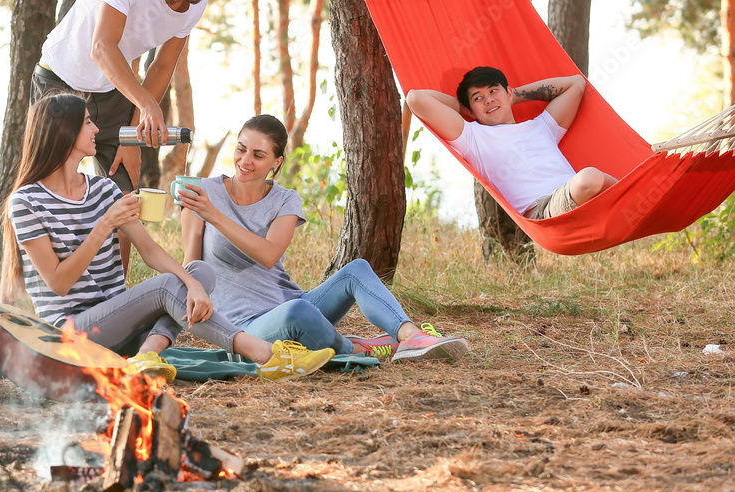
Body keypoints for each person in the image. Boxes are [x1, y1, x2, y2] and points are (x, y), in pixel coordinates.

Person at [2, 94, 334, 383]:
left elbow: (149, 250)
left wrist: (192, 284)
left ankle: (146, 356)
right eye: (88, 123)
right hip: (72, 334)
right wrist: (104, 226)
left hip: (121, 326)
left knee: (199, 272)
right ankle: (268, 356)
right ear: (65, 132)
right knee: (166, 287)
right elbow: (59, 283)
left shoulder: (102, 188)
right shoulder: (27, 202)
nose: (96, 130)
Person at [33, 0, 245, 271]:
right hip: (60, 79)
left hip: (115, 90)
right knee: (46, 190)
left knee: (125, 194)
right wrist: (146, 105)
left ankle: (115, 293)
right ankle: (31, 285)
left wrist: (133, 138)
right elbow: (101, 48)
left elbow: (162, 68)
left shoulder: (195, 4)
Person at [177, 114, 469, 362]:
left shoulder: (285, 200)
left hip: (296, 303)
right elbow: (191, 268)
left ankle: (412, 337)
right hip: (245, 327)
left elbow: (268, 255)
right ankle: (356, 348)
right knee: (297, 313)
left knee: (356, 269)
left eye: (258, 155)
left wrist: (214, 216)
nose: (245, 160)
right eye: (241, 149)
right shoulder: (202, 193)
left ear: (276, 163)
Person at [405, 67, 617, 220]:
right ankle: (633, 192)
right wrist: (466, 109)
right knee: (589, 178)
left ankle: (638, 193)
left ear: (507, 92)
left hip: (585, 197)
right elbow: (415, 98)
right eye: (478, 98)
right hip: (546, 212)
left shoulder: (542, 127)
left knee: (593, 179)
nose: (488, 100)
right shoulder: (473, 138)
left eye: (493, 91)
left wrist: (514, 96)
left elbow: (576, 84)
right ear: (470, 110)